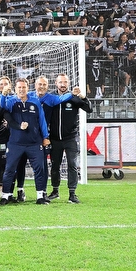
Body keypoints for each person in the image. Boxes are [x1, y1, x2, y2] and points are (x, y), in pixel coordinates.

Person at [0, 78, 51, 204]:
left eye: (24, 87)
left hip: (34, 143)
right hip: (15, 143)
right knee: (10, 169)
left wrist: (45, 137)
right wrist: (3, 94)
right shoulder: (11, 101)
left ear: (28, 88)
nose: (21, 89)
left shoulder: (35, 102)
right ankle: (5, 196)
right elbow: (2, 106)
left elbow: (42, 120)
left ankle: (40, 196)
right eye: (19, 87)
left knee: (39, 168)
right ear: (15, 89)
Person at [45, 74, 91, 204]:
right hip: (54, 138)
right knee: (55, 165)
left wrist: (82, 96)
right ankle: (55, 191)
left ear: (69, 83)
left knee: (72, 165)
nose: (63, 84)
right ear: (56, 83)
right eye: (60, 82)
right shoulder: (51, 98)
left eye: (65, 82)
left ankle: (72, 193)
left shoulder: (73, 97)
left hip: (71, 138)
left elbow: (89, 109)